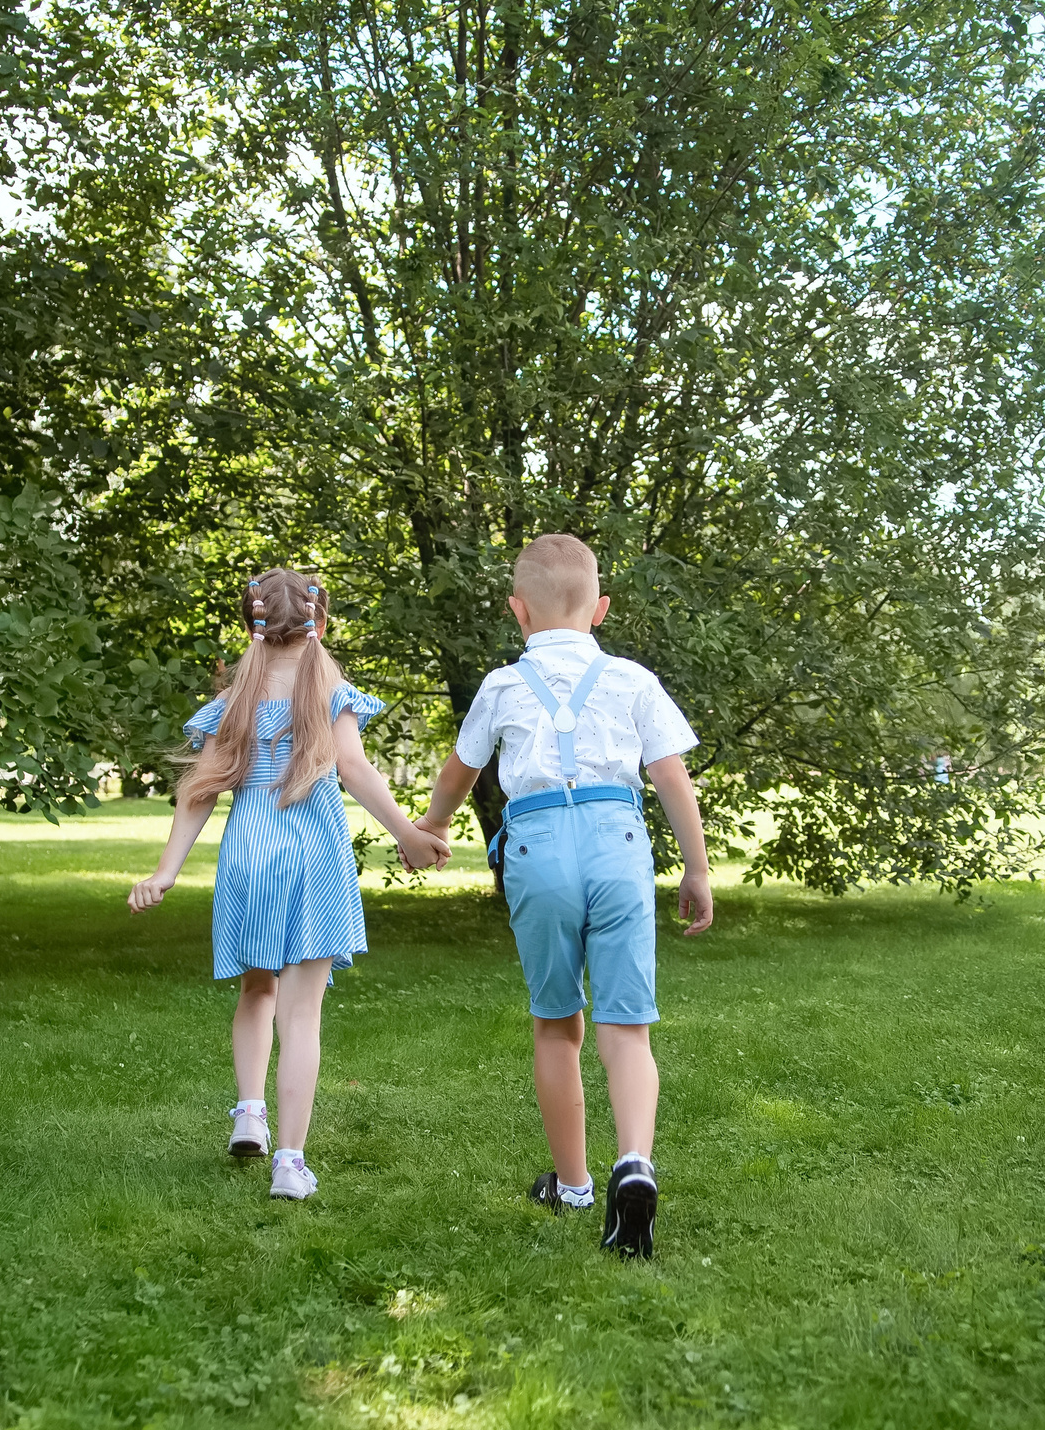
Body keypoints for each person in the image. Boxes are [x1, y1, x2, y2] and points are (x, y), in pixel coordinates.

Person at [413, 534, 714, 1257]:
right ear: (600, 608)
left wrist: (430, 824)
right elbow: (671, 778)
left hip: (537, 849)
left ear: (518, 611)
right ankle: (633, 1162)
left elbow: (460, 771)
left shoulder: (502, 686)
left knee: (557, 1022)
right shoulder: (632, 680)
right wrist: (696, 869)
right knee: (626, 1025)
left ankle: (575, 1183)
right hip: (616, 844)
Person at [130, 568, 449, 1201]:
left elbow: (199, 793)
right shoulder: (331, 689)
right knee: (302, 1015)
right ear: (320, 623)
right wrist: (409, 835)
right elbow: (353, 768)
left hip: (249, 855)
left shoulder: (232, 702)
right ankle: (291, 1164)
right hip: (312, 857)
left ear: (250, 625)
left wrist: (166, 872)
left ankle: (249, 1112)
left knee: (256, 990)